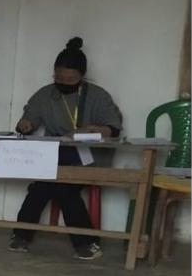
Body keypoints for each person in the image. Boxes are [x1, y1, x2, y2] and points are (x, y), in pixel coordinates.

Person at [10, 37, 123, 260]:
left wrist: (96, 129)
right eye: (59, 77)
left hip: (90, 155)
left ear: (82, 77)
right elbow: (28, 119)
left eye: (71, 79)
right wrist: (26, 124)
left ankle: (86, 242)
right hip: (56, 154)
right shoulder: (45, 94)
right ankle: (21, 236)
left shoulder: (98, 96)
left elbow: (114, 127)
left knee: (63, 188)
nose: (64, 82)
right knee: (40, 187)